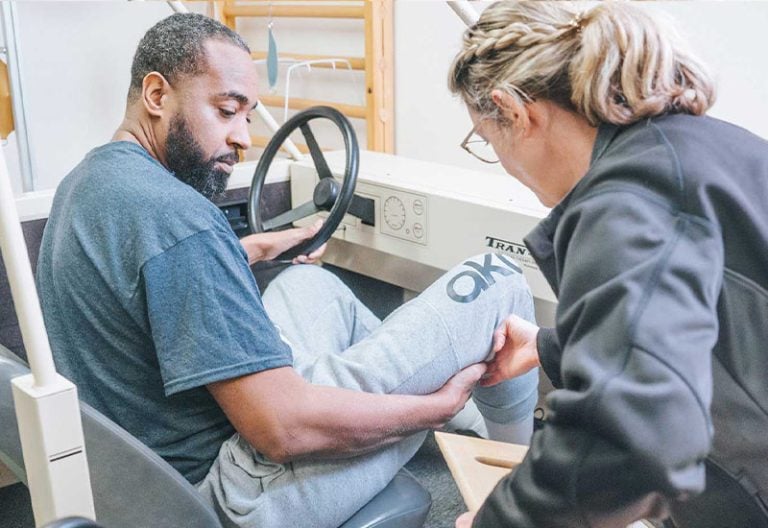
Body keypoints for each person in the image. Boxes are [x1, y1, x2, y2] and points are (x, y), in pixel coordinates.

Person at [35, 13, 540, 528]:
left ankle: (475, 430)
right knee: (498, 278)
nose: (242, 138)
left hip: (148, 478)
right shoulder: (179, 219)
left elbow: (155, 280)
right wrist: (432, 409)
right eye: (226, 111)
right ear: (157, 95)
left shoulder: (93, 180)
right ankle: (523, 491)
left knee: (309, 282)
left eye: (247, 116)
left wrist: (250, 249)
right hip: (233, 495)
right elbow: (283, 431)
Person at [448, 1, 768, 527]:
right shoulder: (704, 149)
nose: (501, 163)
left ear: (514, 112)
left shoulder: (627, 199)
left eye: (485, 141)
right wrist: (550, 346)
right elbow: (714, 327)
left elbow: (631, 438)